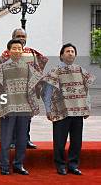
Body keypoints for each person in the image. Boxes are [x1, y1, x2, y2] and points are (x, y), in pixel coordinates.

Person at [39, 43, 95, 176]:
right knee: (59, 141)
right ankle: (60, 166)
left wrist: (87, 107)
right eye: (67, 51)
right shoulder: (55, 71)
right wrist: (48, 109)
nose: (70, 53)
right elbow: (47, 92)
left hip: (78, 111)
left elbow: (86, 91)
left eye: (72, 51)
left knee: (76, 141)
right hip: (60, 111)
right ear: (61, 55)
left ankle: (73, 165)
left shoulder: (80, 70)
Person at [0, 39, 42, 176]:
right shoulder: (1, 68)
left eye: (20, 48)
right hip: (8, 108)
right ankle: (4, 165)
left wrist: (33, 107)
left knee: (22, 139)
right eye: (14, 48)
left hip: (24, 108)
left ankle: (19, 164)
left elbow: (33, 88)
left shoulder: (29, 68)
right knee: (6, 139)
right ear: (8, 51)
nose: (17, 50)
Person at [0, 28, 48, 149]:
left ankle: (26, 139)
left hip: (28, 90)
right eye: (18, 36)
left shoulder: (31, 52)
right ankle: (11, 140)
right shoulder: (7, 53)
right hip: (12, 91)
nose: (21, 38)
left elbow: (40, 64)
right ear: (13, 37)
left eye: (23, 36)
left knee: (26, 117)